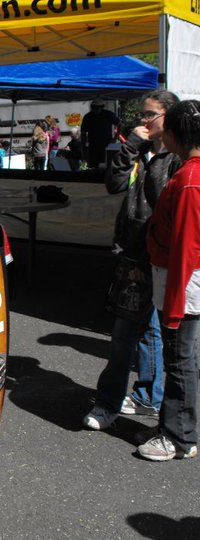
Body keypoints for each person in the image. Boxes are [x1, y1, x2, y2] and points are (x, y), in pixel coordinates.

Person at [83, 90, 181, 431]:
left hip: (159, 255)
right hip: (133, 253)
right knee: (134, 331)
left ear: (169, 116)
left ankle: (119, 402)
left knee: (139, 333)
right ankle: (135, 398)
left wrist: (148, 153)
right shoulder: (139, 150)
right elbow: (113, 184)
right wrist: (131, 148)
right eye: (141, 114)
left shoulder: (177, 158)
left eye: (150, 114)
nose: (143, 120)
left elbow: (161, 200)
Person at [138, 99, 200, 461]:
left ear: (174, 135)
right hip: (180, 280)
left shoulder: (189, 179)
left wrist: (174, 305)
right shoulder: (188, 172)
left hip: (182, 283)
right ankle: (174, 428)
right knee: (181, 357)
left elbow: (186, 248)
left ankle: (179, 436)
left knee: (179, 359)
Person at [81, 98, 120, 168]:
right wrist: (83, 147)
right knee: (94, 167)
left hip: (107, 147)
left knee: (106, 167)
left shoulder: (108, 114)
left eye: (96, 108)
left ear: (101, 107)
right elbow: (83, 133)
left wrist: (115, 138)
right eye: (93, 108)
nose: (94, 110)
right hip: (93, 148)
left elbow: (120, 125)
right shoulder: (88, 117)